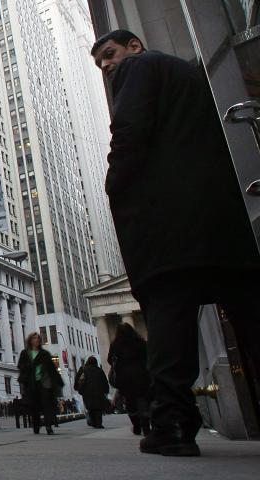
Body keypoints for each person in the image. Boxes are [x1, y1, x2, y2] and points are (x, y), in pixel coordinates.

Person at [91, 29, 260, 457]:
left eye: (109, 54)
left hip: (171, 225)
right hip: (221, 223)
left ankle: (172, 423)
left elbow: (129, 130)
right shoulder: (187, 77)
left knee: (168, 322)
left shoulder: (142, 68)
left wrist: (115, 183)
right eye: (100, 63)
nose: (107, 66)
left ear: (134, 46)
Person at [108, 323, 152, 436]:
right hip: (140, 374)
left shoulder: (115, 344)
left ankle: (136, 425)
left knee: (130, 401)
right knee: (142, 399)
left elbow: (109, 360)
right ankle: (146, 426)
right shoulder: (140, 342)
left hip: (124, 376)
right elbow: (148, 356)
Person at [17, 332, 63, 435]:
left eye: (37, 338)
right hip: (31, 383)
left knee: (47, 404)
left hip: (44, 382)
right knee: (34, 405)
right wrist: (29, 366)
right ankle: (36, 425)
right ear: (30, 341)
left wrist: (58, 381)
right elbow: (20, 366)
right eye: (34, 338)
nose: (36, 340)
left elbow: (52, 369)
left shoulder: (45, 354)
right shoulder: (25, 353)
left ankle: (48, 426)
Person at [75, 357, 110, 429]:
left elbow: (77, 379)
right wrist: (106, 391)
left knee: (90, 408)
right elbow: (105, 381)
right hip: (98, 393)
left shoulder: (84, 369)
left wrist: (78, 389)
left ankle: (93, 422)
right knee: (98, 408)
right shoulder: (99, 370)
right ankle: (99, 423)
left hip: (86, 393)